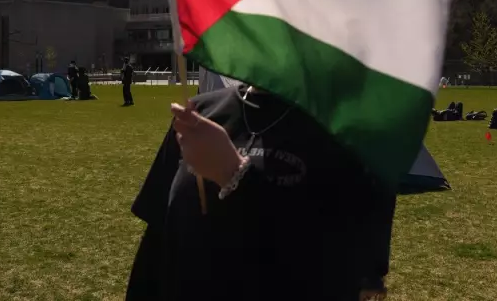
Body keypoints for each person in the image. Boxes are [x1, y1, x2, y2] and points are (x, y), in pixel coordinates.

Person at [125, 84, 395, 301]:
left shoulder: (349, 130)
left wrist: (234, 176)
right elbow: (157, 242)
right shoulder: (201, 113)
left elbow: (337, 270)